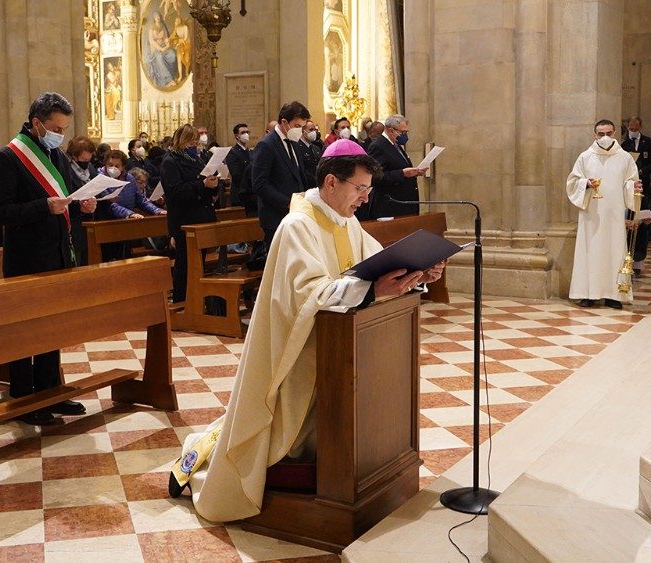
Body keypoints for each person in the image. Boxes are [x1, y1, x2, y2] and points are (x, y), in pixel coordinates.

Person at [166, 139, 445, 520]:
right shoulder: (298, 225)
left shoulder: (346, 222)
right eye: (360, 188)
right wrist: (373, 290)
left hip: (337, 352)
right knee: (271, 436)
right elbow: (311, 295)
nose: (366, 198)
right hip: (299, 357)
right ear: (331, 182)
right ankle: (202, 459)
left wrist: (414, 275)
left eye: (368, 189)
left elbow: (377, 267)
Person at [0, 92, 97, 426]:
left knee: (52, 328)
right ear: (37, 123)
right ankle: (24, 398)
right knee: (25, 332)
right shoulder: (8, 157)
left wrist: (83, 205)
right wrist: (42, 207)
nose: (61, 135)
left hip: (58, 253)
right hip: (26, 259)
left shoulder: (56, 155)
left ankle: (51, 391)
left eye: (64, 129)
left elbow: (67, 199)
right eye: (56, 128)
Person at [565, 119, 643, 309]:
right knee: (590, 252)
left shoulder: (625, 158)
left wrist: (633, 187)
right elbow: (573, 182)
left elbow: (630, 181)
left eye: (608, 133)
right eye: (601, 134)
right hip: (591, 215)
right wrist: (585, 183)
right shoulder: (585, 157)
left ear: (615, 133)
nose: (605, 137)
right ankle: (588, 294)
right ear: (595, 135)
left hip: (614, 215)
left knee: (614, 252)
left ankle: (614, 296)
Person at [162, 124, 220, 302]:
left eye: (196, 142)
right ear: (182, 141)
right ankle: (182, 300)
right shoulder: (170, 161)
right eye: (192, 142)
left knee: (199, 263)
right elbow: (175, 192)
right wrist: (202, 185)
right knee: (185, 263)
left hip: (202, 217)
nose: (195, 145)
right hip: (184, 220)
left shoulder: (198, 160)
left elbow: (204, 185)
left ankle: (197, 300)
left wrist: (213, 185)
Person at [251, 101, 313, 252]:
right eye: (297, 126)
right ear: (284, 122)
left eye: (302, 127)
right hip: (276, 216)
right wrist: (287, 203)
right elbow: (260, 184)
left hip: (297, 213)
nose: (300, 131)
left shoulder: (294, 143)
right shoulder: (266, 145)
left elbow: (299, 175)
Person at [367, 114, 427, 219]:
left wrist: (414, 173)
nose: (405, 135)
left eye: (406, 132)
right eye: (402, 132)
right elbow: (375, 177)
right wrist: (402, 173)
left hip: (404, 204)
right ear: (391, 130)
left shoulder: (396, 145)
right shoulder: (378, 146)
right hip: (390, 205)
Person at [225, 123, 254, 215]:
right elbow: (236, 174)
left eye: (247, 132)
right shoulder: (233, 152)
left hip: (251, 194)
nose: (246, 134)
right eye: (243, 132)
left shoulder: (250, 152)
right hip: (239, 195)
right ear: (237, 136)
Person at [296, 120, 323, 189]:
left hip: (317, 186)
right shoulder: (297, 147)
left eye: (315, 130)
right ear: (303, 131)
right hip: (306, 186)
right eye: (311, 130)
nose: (314, 132)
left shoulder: (316, 148)